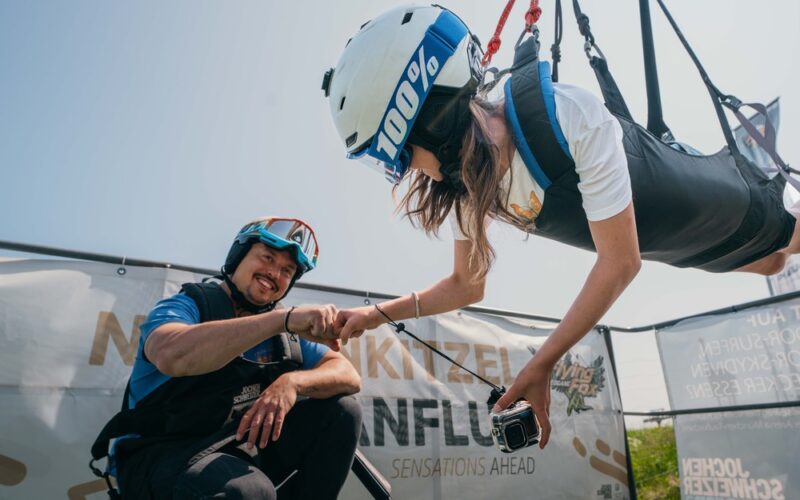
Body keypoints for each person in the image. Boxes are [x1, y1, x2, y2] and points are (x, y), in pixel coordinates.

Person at [322, 4, 800, 450]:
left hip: (720, 207)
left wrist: (543, 361)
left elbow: (620, 261)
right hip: (682, 248)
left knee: (784, 238)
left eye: (402, 155)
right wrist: (376, 315)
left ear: (433, 118)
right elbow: (466, 284)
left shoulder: (564, 115)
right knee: (770, 264)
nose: (408, 171)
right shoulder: (470, 188)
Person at [91, 217, 362, 500]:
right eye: (267, 257)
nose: (274, 273)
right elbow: (171, 354)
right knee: (248, 492)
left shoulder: (283, 330)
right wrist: (280, 319)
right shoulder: (190, 304)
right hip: (156, 453)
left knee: (343, 411)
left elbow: (347, 374)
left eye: (286, 270)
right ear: (237, 257)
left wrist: (292, 383)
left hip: (232, 448)